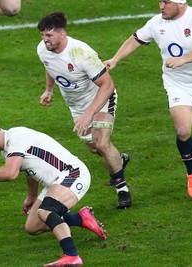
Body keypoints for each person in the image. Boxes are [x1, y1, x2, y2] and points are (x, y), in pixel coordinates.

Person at [104, 0, 192, 199]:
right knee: (183, 130)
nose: (161, 6)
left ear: (180, 3)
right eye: (160, 1)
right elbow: (135, 39)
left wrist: (183, 59)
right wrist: (115, 59)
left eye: (166, 2)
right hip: (177, 84)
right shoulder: (156, 23)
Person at [0, 121, 107, 267]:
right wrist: (31, 196)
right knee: (33, 226)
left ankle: (72, 255)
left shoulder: (16, 139)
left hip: (72, 174)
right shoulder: (8, 146)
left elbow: (10, 173)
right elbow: (29, 170)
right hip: (55, 181)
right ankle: (80, 219)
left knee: (47, 211)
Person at [36, 12, 131, 209]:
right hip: (76, 106)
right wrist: (49, 89)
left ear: (62, 34)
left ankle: (121, 188)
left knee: (101, 142)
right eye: (43, 35)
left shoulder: (81, 53)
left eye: (49, 36)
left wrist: (89, 115)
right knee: (95, 148)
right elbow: (50, 66)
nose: (45, 40)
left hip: (101, 98)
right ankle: (119, 159)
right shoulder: (43, 50)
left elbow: (107, 85)